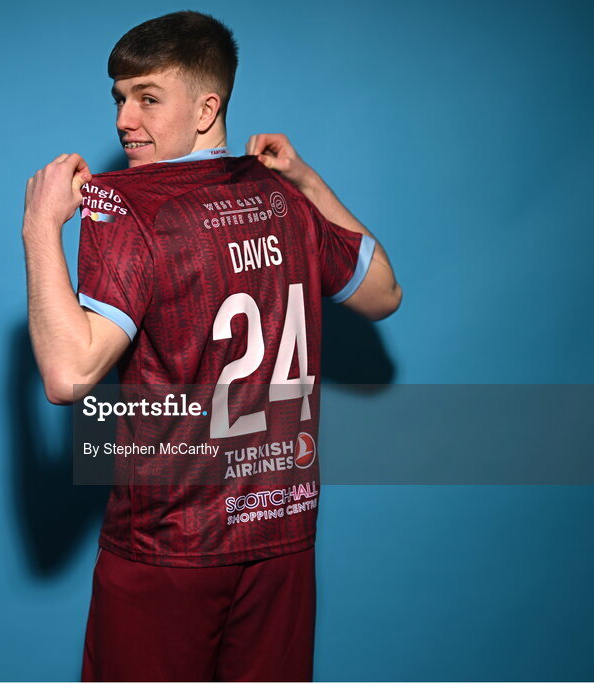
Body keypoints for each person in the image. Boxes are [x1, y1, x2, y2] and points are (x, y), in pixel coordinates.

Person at [22, 10, 402, 681]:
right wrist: (307, 180)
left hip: (170, 542)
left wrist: (38, 227)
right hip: (282, 532)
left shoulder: (127, 204)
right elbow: (384, 293)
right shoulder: (282, 194)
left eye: (147, 98)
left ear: (207, 108)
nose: (124, 121)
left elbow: (67, 374)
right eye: (119, 98)